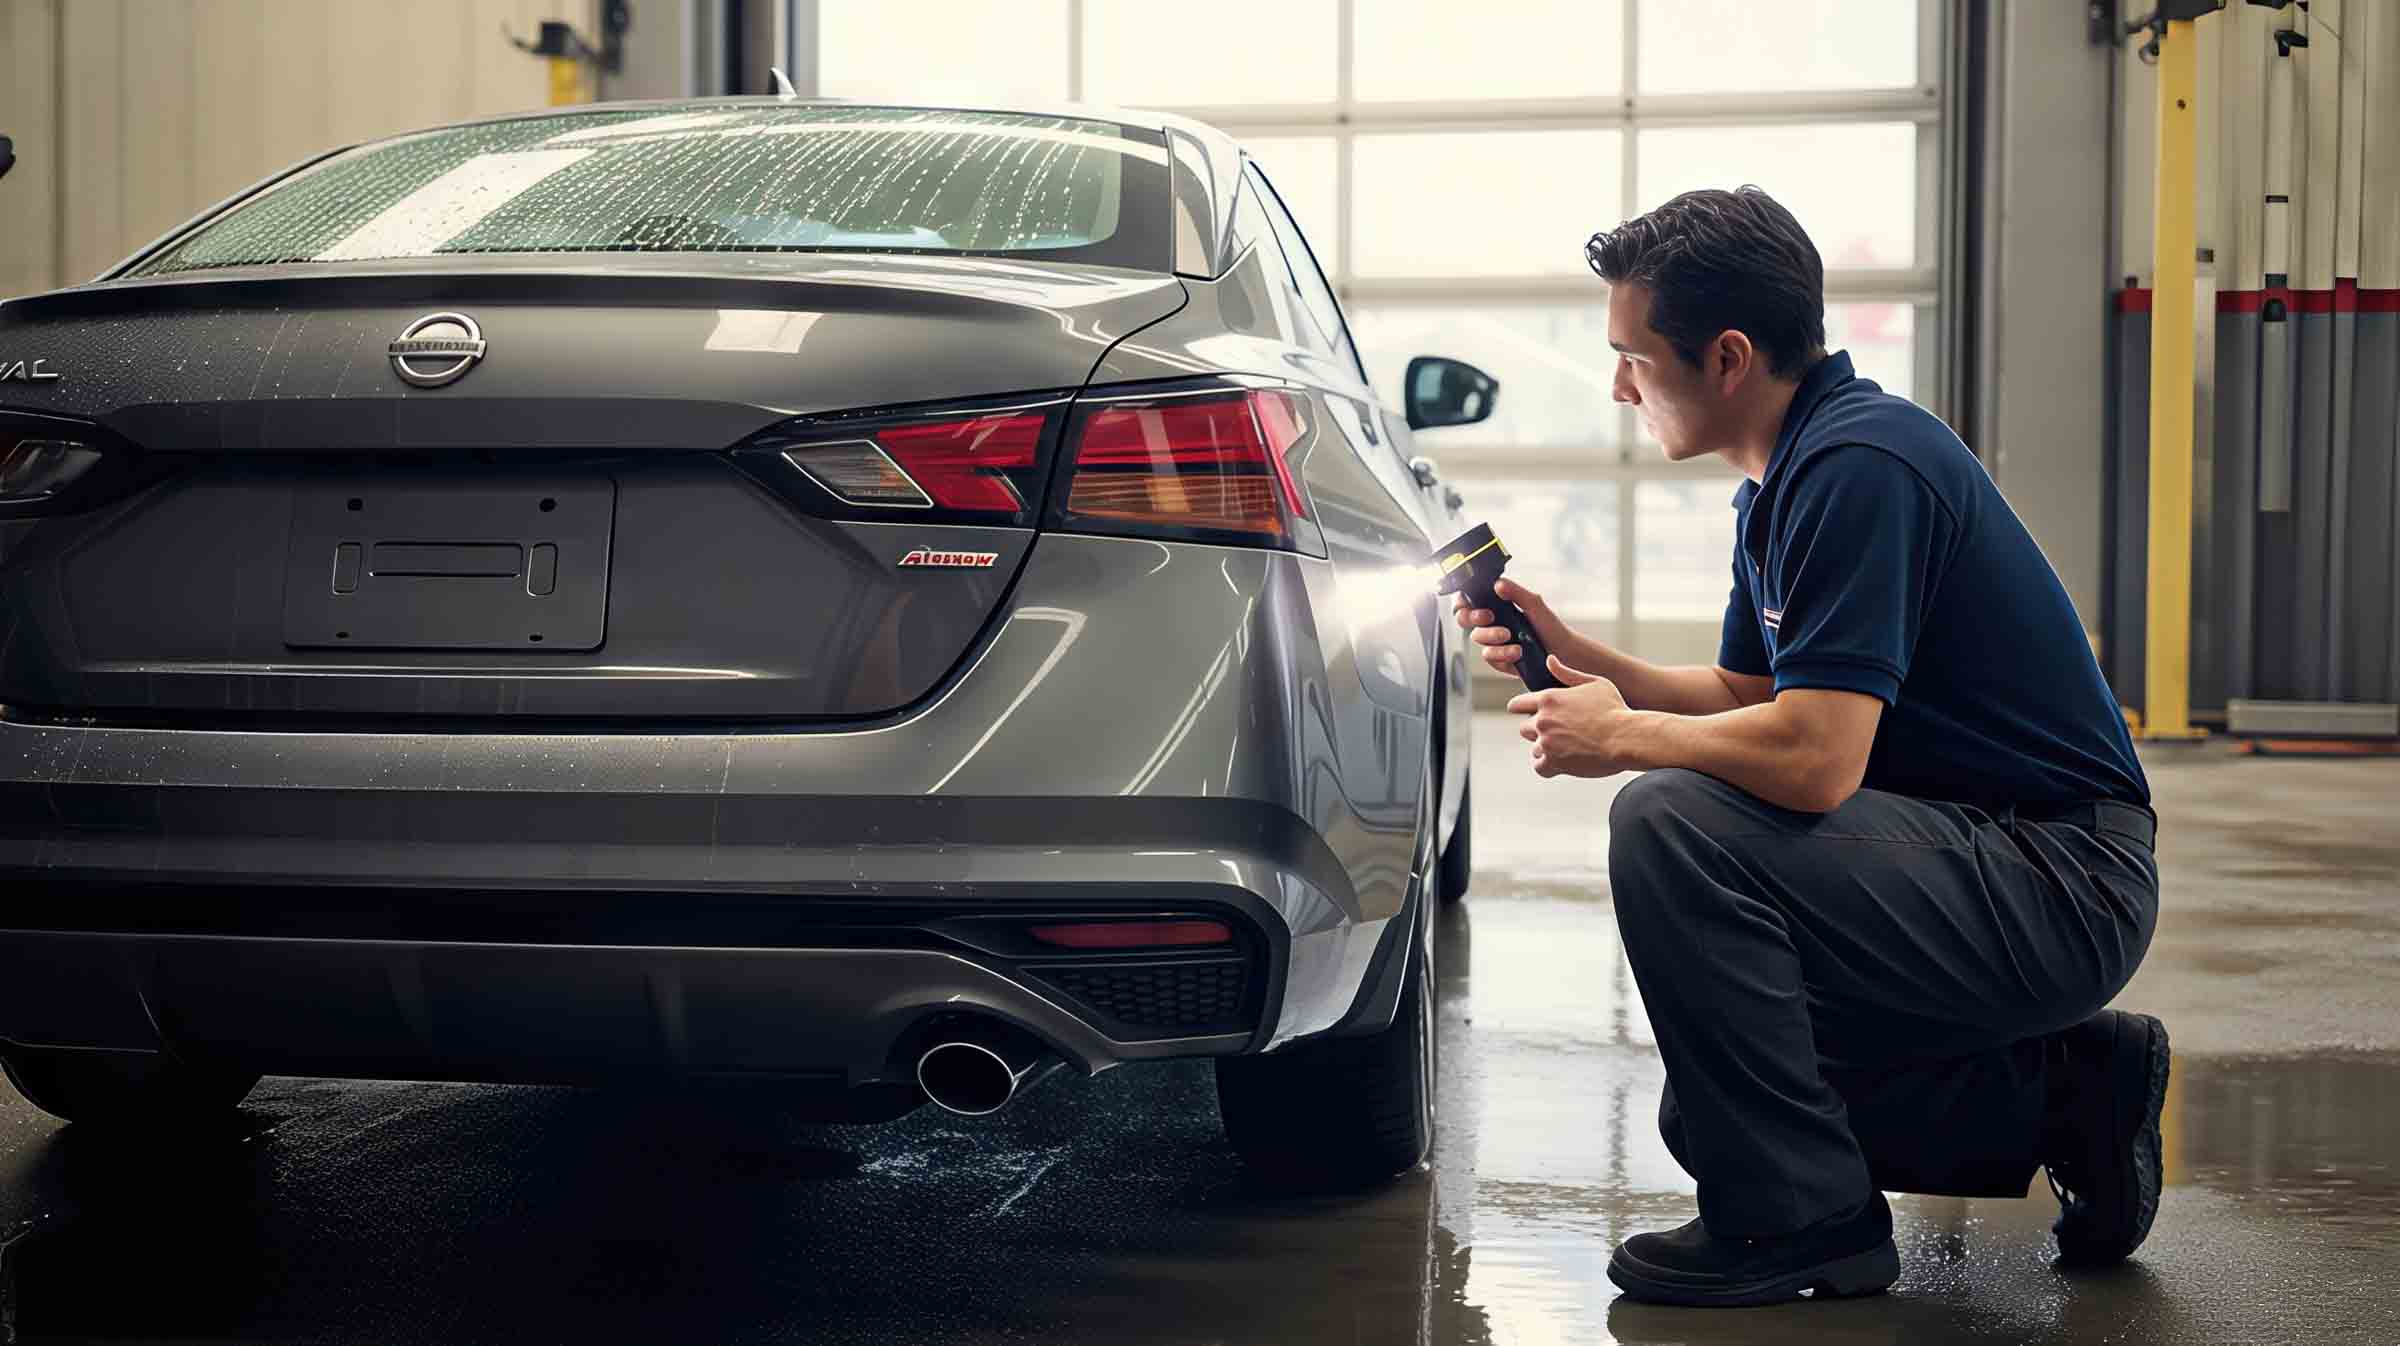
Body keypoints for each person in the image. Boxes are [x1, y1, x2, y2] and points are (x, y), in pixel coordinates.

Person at [1454, 187, 2166, 1307]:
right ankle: (2068, 1092)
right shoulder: (1784, 483)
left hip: (2061, 878)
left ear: (1727, 356)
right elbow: (1750, 692)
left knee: (1670, 818)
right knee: (1717, 1110)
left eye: (1633, 357)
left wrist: (1626, 738)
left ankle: (1806, 1224)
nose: (1618, 385)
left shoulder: (1862, 466)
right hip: (1975, 860)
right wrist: (1587, 658)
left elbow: (1820, 755)